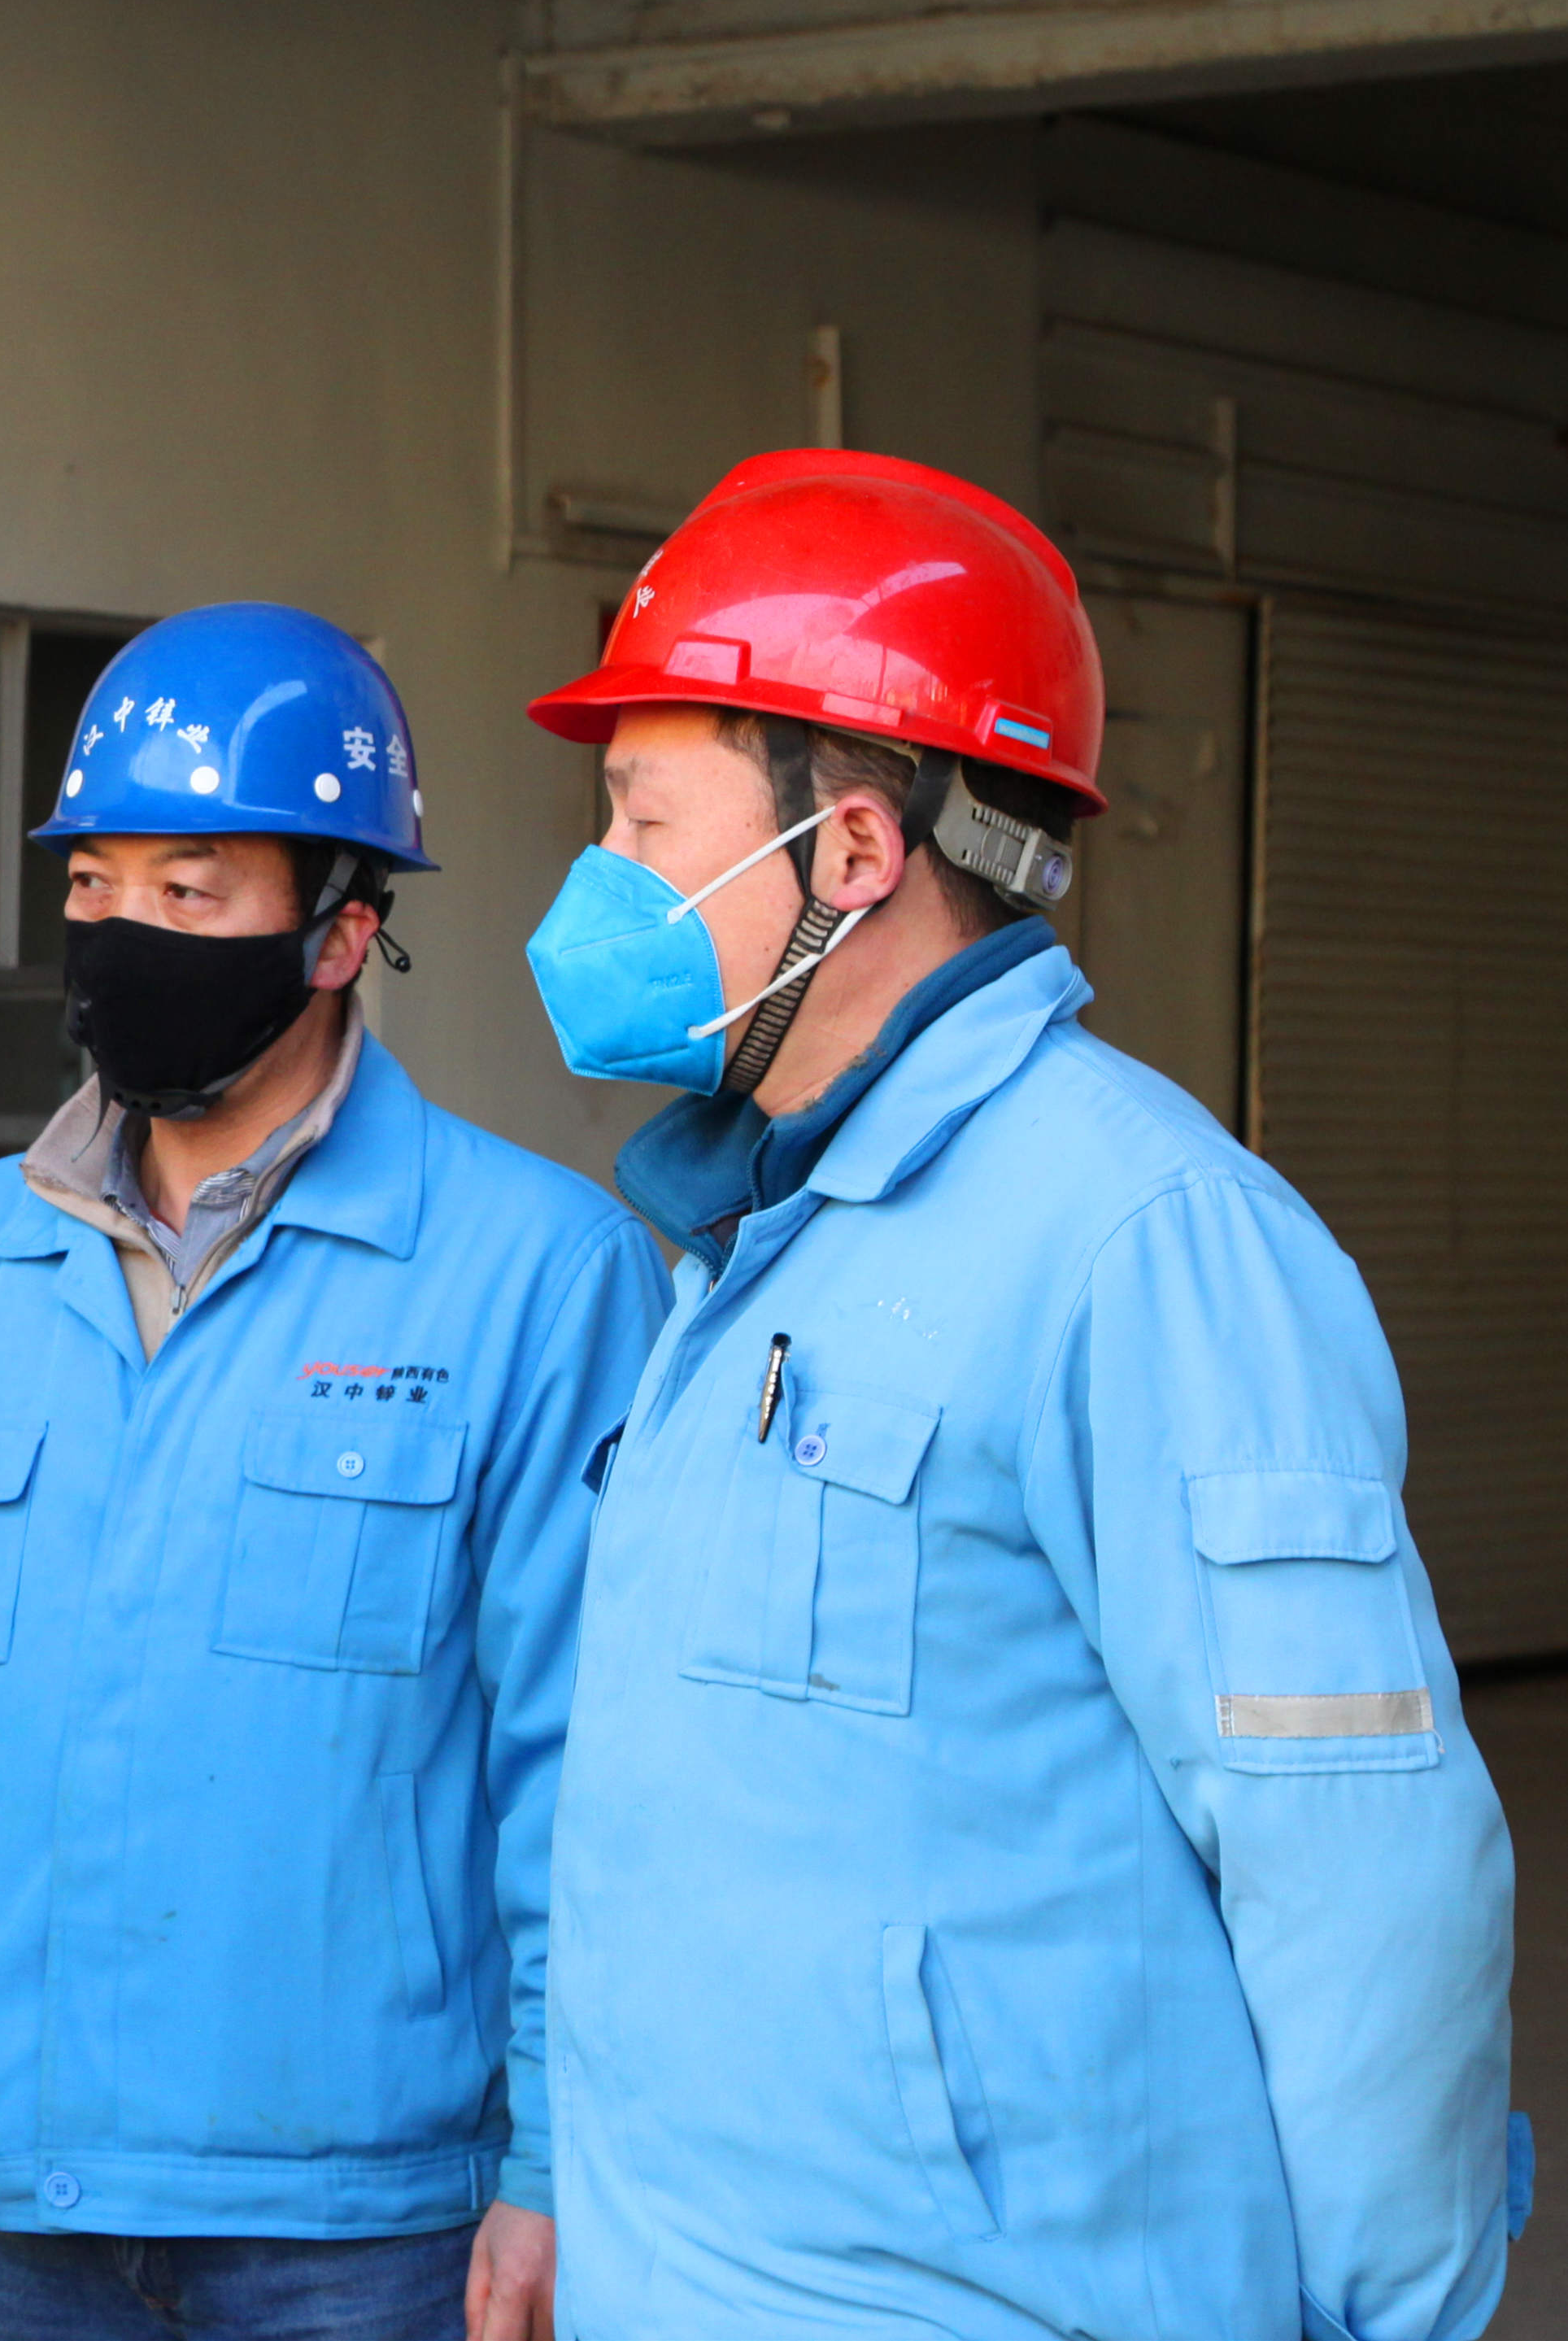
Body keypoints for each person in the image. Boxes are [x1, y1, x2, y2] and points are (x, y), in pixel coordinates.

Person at [525, 448, 1522, 2339]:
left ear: (853, 853)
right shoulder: (750, 1244)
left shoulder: (1144, 1242)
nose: (599, 885)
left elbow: (1359, 1868)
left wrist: (1387, 2317)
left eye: (642, 822)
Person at [0, 605, 667, 2341]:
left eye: (189, 891)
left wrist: (557, 2163)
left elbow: (583, 1783)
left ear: (339, 933)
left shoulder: (537, 1275)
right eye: (93, 886)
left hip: (366, 2227)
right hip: (22, 2195)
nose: (120, 935)